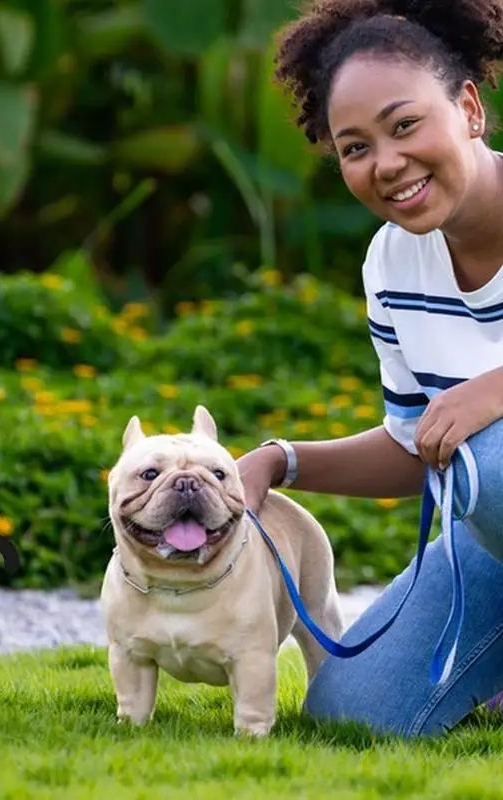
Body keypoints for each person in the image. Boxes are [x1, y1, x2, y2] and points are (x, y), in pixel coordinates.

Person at [235, 0, 503, 738]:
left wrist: (496, 389)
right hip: (491, 540)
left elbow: (478, 441)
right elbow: (418, 444)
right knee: (351, 715)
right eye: (355, 148)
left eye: (406, 125)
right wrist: (280, 462)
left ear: (470, 109)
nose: (386, 163)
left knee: (492, 455)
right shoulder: (391, 261)